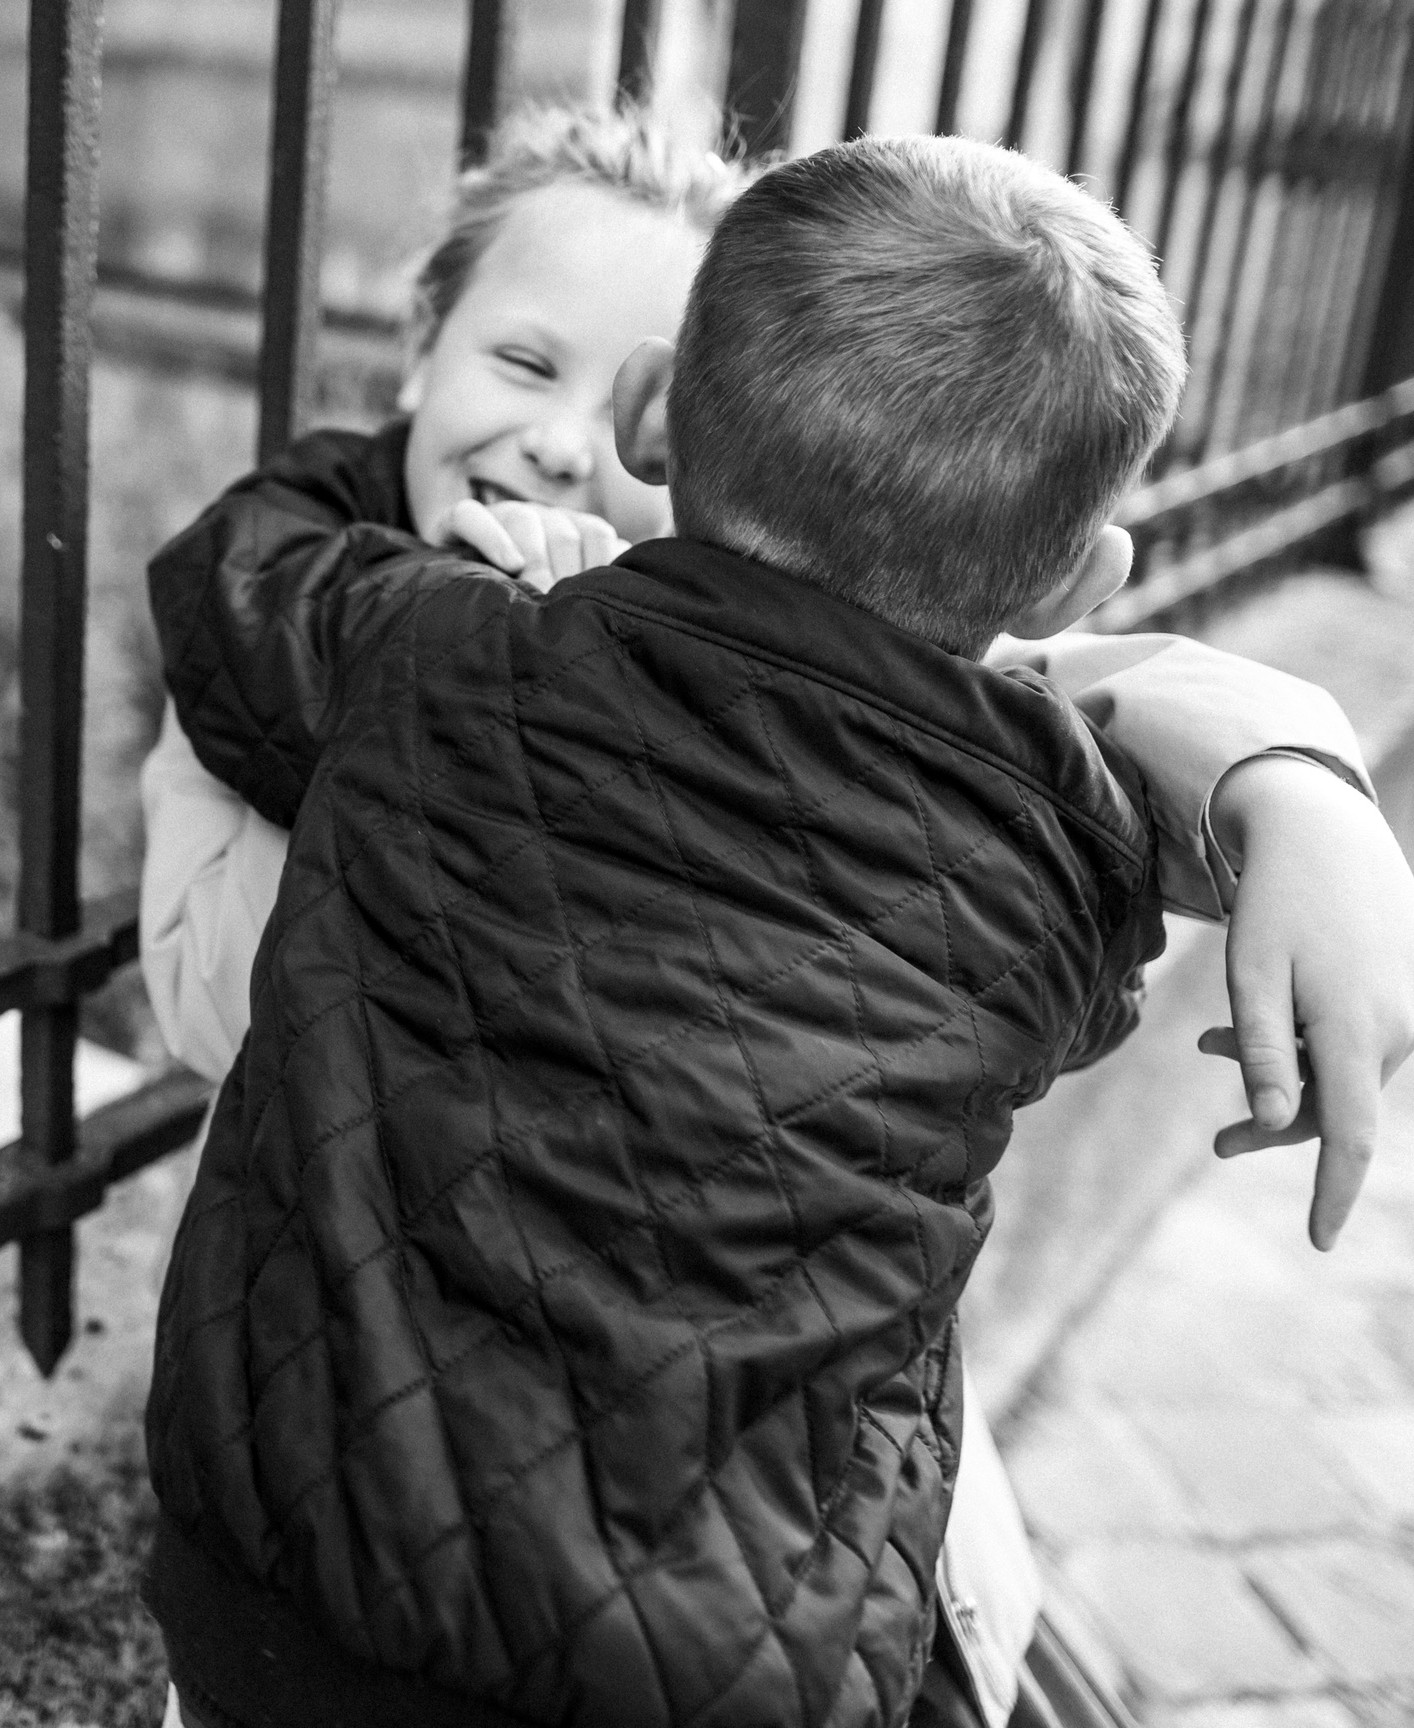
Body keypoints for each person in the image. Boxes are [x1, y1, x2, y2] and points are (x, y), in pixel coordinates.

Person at [138, 106, 1414, 1728]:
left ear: (658, 418)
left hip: (282, 1613)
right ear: (1077, 582)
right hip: (752, 1665)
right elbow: (1090, 841)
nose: (550, 443)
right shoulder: (1050, 855)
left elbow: (232, 578)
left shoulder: (437, 658)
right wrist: (1300, 784)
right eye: (520, 366)